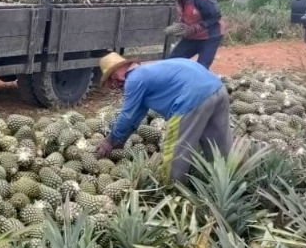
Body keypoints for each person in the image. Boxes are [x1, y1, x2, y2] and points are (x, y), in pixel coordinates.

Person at [95, 51, 232, 184]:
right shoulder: (150, 71)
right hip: (218, 89)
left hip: (191, 100)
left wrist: (110, 141)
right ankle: (227, 180)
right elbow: (136, 115)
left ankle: (172, 191)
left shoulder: (135, 79)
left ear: (118, 69)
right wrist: (121, 138)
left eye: (112, 77)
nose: (115, 82)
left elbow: (127, 115)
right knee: (219, 145)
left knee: (176, 151)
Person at [162, 0, 226, 70]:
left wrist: (195, 28)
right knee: (173, 61)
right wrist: (181, 26)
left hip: (210, 36)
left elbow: (216, 16)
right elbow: (186, 15)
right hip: (192, 37)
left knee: (202, 67)